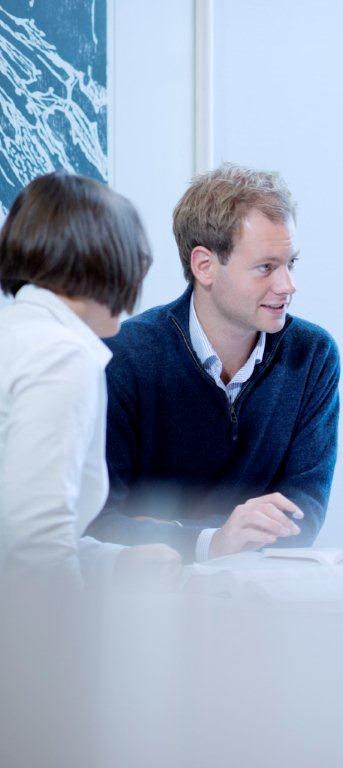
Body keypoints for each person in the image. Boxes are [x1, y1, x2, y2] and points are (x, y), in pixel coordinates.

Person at [86, 164, 340, 563]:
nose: (288, 286)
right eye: (266, 267)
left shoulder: (312, 355)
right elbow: (99, 522)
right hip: (151, 591)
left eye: (290, 263)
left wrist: (165, 529)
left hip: (264, 588)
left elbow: (301, 517)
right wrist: (212, 540)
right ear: (204, 265)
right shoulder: (124, 355)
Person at [0, 171, 181, 589]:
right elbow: (36, 546)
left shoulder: (19, 333)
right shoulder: (60, 354)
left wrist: (114, 561)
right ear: (108, 263)